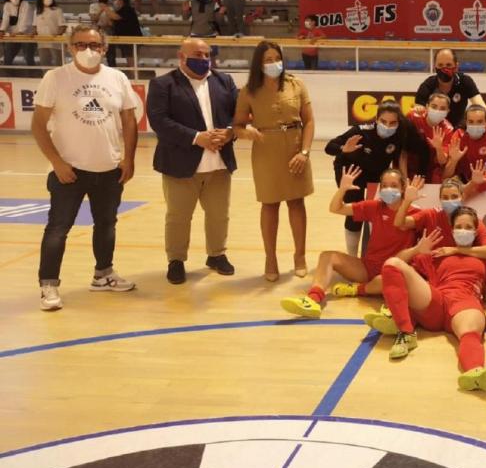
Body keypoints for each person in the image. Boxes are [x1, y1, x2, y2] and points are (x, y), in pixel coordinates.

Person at [32, 24, 139, 311]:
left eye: (94, 45)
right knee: (58, 228)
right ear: (70, 48)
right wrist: (57, 162)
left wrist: (128, 158)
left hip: (109, 169)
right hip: (70, 171)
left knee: (106, 225)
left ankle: (103, 274)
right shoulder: (55, 78)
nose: (88, 51)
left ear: (104, 48)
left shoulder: (117, 78)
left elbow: (129, 120)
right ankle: (49, 286)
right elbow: (38, 125)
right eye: (80, 45)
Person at [367, 206, 486, 392]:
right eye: (459, 226)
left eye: (468, 227)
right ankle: (406, 331)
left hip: (465, 304)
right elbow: (397, 265)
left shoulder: (483, 257)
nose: (463, 230)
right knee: (392, 264)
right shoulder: (438, 252)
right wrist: (417, 249)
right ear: (452, 229)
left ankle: (475, 372)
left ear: (475, 231)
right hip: (437, 300)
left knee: (469, 334)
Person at [146, 38, 238, 285]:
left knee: (219, 215)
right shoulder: (162, 84)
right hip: (180, 164)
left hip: (219, 163)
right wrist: (196, 138)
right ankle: (176, 260)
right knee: (178, 216)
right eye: (197, 54)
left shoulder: (224, 81)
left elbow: (239, 114)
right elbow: (159, 121)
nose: (203, 58)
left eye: (207, 54)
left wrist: (229, 131)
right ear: (181, 56)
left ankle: (216, 254)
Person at [280, 168, 421, 318]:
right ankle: (312, 299)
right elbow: (336, 208)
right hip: (368, 268)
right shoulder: (374, 207)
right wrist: (342, 190)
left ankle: (384, 307)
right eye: (384, 185)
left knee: (393, 279)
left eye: (393, 185)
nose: (388, 189)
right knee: (328, 256)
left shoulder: (415, 213)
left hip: (393, 271)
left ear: (403, 188)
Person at [232, 41, 315, 282]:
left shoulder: (296, 84)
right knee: (269, 205)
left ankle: (300, 256)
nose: (273, 63)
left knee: (296, 203)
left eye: (276, 58)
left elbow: (309, 121)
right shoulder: (249, 90)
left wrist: (305, 152)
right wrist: (246, 132)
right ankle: (270, 258)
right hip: (266, 150)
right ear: (259, 63)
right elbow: (237, 125)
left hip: (295, 147)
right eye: (267, 60)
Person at [325, 100, 408, 256]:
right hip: (352, 171)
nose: (388, 126)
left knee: (377, 211)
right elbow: (329, 147)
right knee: (355, 213)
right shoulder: (361, 131)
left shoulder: (401, 132)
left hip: (376, 172)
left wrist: (404, 179)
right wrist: (344, 149)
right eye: (383, 122)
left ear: (398, 122)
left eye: (392, 123)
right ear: (376, 120)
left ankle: (371, 252)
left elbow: (401, 157)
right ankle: (352, 256)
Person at [414, 49, 486, 127]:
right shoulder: (427, 85)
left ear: (456, 66)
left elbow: (481, 107)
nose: (444, 69)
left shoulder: (465, 81)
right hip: (433, 131)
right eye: (440, 65)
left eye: (448, 65)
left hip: (458, 131)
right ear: (435, 66)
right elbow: (418, 112)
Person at [444, 104, 486, 183]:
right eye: (471, 122)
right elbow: (445, 176)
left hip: (480, 178)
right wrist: (454, 160)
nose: (475, 125)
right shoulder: (458, 137)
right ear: (466, 122)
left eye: (479, 121)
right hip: (456, 179)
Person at [406, 92, 455, 183]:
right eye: (434, 106)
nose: (437, 110)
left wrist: (439, 147)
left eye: (442, 108)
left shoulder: (448, 130)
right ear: (427, 106)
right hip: (409, 166)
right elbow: (402, 148)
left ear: (448, 111)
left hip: (430, 171)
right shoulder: (413, 116)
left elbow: (442, 161)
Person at [1, 0, 37, 67]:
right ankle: (7, 74)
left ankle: (34, 74)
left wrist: (20, 32)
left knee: (29, 58)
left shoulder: (26, 4)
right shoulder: (7, 5)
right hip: (12, 35)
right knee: (7, 58)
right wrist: (2, 30)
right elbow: (5, 19)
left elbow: (26, 20)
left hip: (26, 35)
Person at [105, 0, 142, 68]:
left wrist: (105, 8)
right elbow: (112, 23)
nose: (115, 1)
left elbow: (116, 17)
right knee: (128, 59)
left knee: (130, 59)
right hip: (124, 38)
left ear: (121, 1)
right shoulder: (120, 10)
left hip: (131, 38)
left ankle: (134, 76)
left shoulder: (127, 9)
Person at [33, 0, 66, 66]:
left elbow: (62, 26)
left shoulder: (57, 10)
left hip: (54, 41)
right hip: (42, 41)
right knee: (44, 62)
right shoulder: (37, 11)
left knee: (58, 62)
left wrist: (57, 35)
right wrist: (34, 33)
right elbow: (35, 26)